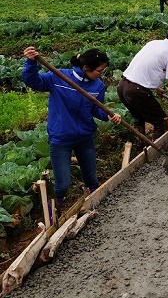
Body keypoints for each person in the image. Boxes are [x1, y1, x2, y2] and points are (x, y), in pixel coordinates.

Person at [22, 47, 121, 210]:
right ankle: (54, 212)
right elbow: (34, 82)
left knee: (91, 179)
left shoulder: (98, 86)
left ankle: (97, 206)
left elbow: (96, 108)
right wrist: (31, 63)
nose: (101, 74)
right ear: (86, 68)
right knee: (63, 185)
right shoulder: (58, 77)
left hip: (85, 136)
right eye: (99, 70)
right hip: (61, 138)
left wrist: (108, 115)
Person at [117, 27, 168, 143]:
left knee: (139, 118)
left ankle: (143, 148)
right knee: (161, 121)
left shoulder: (154, 43)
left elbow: (147, 66)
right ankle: (158, 153)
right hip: (135, 90)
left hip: (122, 86)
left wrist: (156, 88)